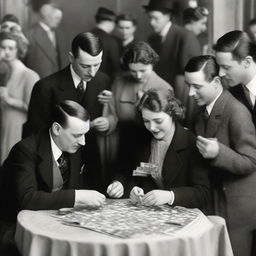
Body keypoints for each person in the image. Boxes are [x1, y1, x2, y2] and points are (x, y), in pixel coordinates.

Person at [0, 100, 105, 256]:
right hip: (15, 225)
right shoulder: (25, 151)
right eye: (77, 135)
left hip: (54, 221)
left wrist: (111, 186)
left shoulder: (74, 145)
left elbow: (79, 182)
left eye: (85, 134)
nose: (83, 142)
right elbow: (28, 198)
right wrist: (78, 196)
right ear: (57, 129)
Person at [23, 32, 115, 192]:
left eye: (97, 64)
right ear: (71, 57)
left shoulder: (103, 81)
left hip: (92, 169)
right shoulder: (45, 87)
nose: (92, 73)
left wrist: (106, 122)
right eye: (85, 66)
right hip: (59, 172)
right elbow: (35, 136)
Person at [185, 55, 256, 256]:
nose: (190, 93)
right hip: (212, 204)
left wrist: (219, 153)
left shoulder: (236, 111)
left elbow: (251, 161)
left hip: (237, 212)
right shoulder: (199, 112)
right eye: (188, 85)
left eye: (197, 86)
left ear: (216, 82)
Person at [106, 41, 173, 198]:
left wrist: (143, 107)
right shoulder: (119, 82)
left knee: (142, 193)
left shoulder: (164, 87)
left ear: (152, 64)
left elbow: (166, 130)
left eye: (143, 70)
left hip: (149, 148)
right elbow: (112, 113)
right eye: (133, 71)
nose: (138, 76)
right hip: (121, 146)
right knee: (119, 189)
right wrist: (107, 120)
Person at [128, 88, 210, 209]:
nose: (152, 128)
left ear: (172, 114)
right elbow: (138, 175)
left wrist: (170, 196)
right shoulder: (143, 139)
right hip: (152, 214)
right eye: (146, 121)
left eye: (158, 121)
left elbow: (203, 194)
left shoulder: (191, 143)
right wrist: (134, 190)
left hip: (183, 214)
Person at [143, 0, 201, 128]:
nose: (151, 22)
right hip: (158, 100)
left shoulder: (185, 36)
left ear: (167, 16)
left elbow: (194, 77)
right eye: (150, 18)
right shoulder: (152, 39)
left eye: (155, 18)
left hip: (181, 99)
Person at [0, 32, 39, 164]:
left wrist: (10, 100)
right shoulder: (3, 72)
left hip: (19, 127)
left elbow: (34, 110)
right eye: (2, 47)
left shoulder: (29, 75)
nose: (6, 52)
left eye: (10, 48)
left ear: (18, 50)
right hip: (4, 124)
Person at [214, 30, 256, 127]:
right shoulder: (229, 91)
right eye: (219, 66)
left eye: (226, 67)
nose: (220, 73)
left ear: (247, 62)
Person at [25, 0, 68, 78]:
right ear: (46, 15)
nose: (59, 21)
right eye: (57, 18)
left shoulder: (58, 34)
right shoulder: (30, 35)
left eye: (60, 18)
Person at [91, 7, 120, 79]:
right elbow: (115, 67)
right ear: (111, 22)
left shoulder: (84, 36)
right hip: (104, 82)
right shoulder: (110, 40)